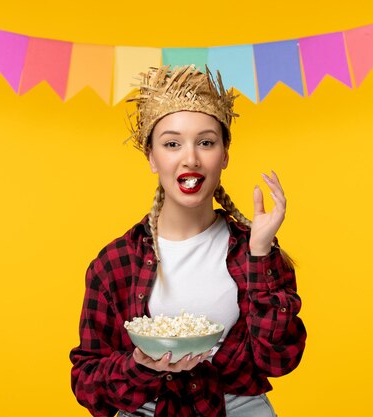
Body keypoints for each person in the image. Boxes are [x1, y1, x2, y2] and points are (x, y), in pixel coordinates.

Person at [69, 65, 306, 417]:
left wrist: (260, 253)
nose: (190, 158)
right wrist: (139, 365)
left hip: (238, 408)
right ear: (151, 156)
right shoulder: (116, 262)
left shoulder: (253, 249)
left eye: (206, 142)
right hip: (147, 408)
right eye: (172, 144)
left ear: (224, 154)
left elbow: (278, 359)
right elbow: (87, 384)